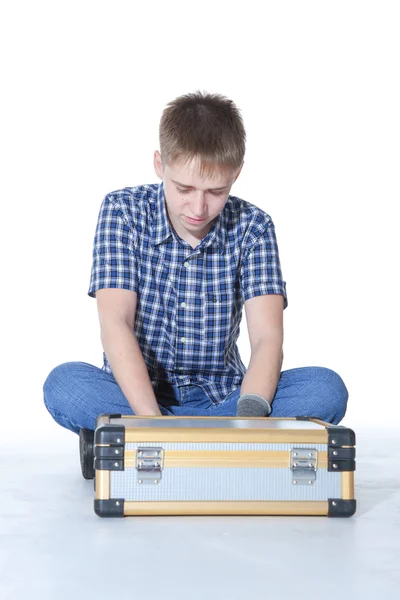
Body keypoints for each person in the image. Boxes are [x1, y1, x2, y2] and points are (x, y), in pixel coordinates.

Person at [43, 90, 349, 436]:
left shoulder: (254, 227)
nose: (198, 208)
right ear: (160, 164)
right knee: (65, 385)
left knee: (325, 388)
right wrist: (152, 421)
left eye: (215, 192)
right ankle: (202, 442)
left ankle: (180, 438)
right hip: (135, 395)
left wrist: (247, 418)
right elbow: (116, 323)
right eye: (184, 188)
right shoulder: (122, 211)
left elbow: (267, 339)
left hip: (225, 398)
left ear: (236, 174)